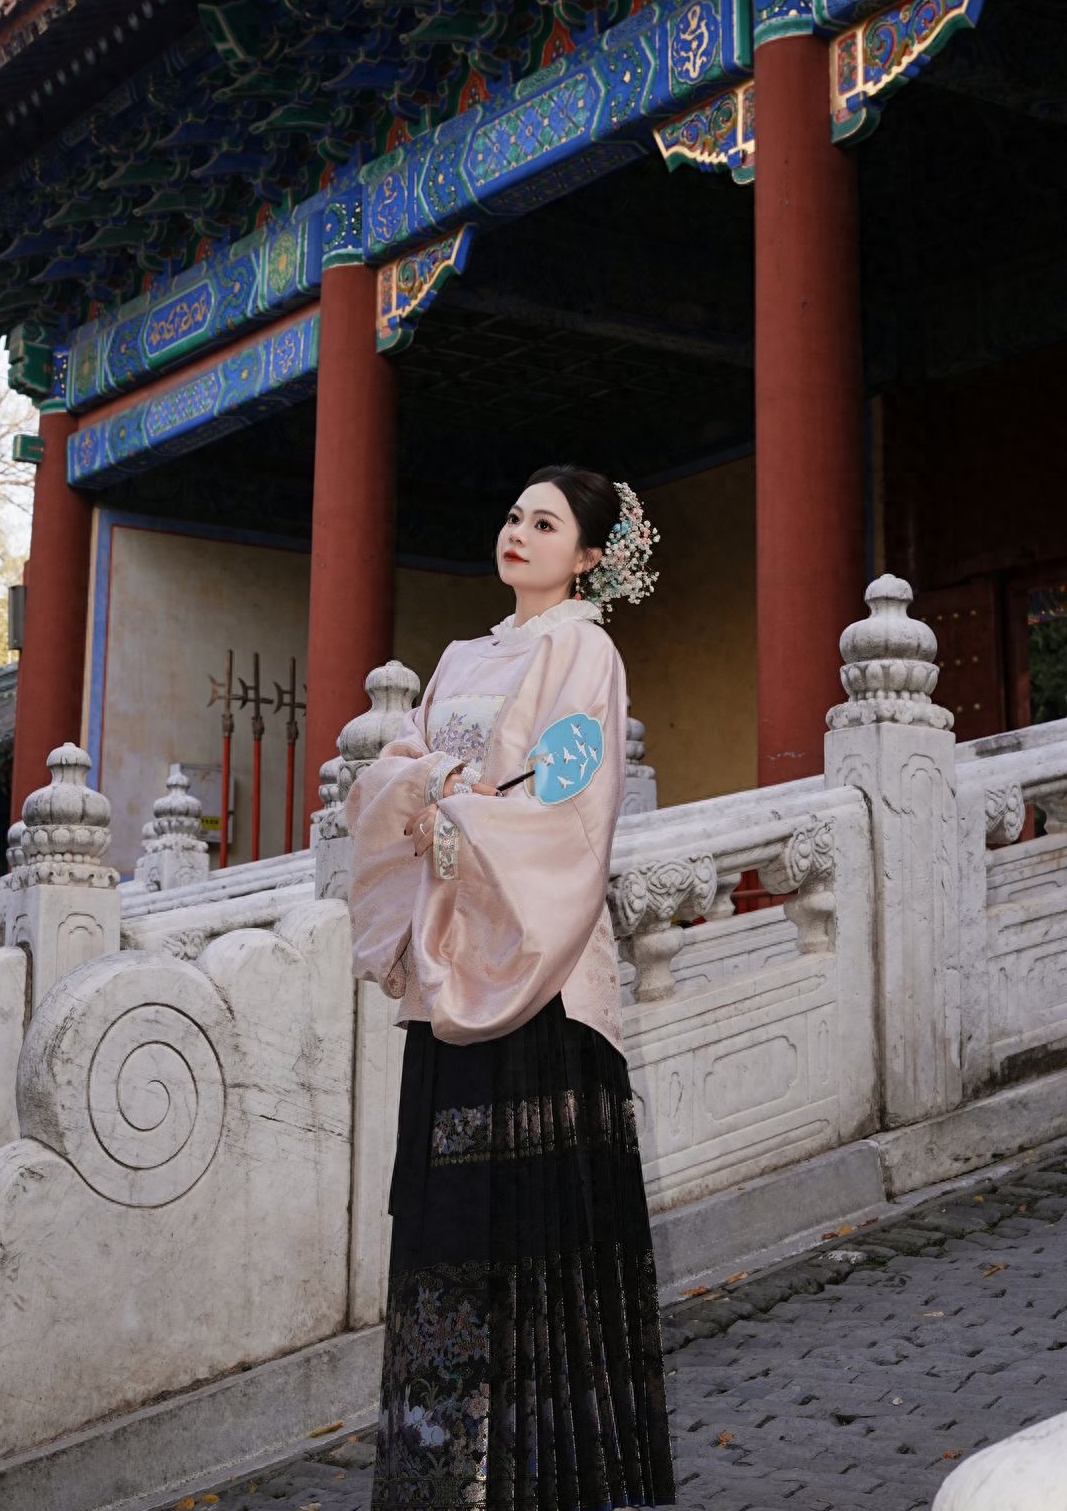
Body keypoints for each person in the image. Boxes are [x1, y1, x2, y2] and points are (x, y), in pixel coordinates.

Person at [346, 465, 675, 1510]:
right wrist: (434, 789)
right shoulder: (459, 658)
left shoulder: (582, 649)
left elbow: (568, 792)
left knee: (532, 1235)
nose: (517, 532)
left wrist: (454, 803)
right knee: (446, 1228)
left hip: (535, 974)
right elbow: (391, 774)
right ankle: (446, 1477)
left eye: (545, 523)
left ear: (586, 556)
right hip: (451, 960)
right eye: (510, 515)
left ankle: (551, 1483)